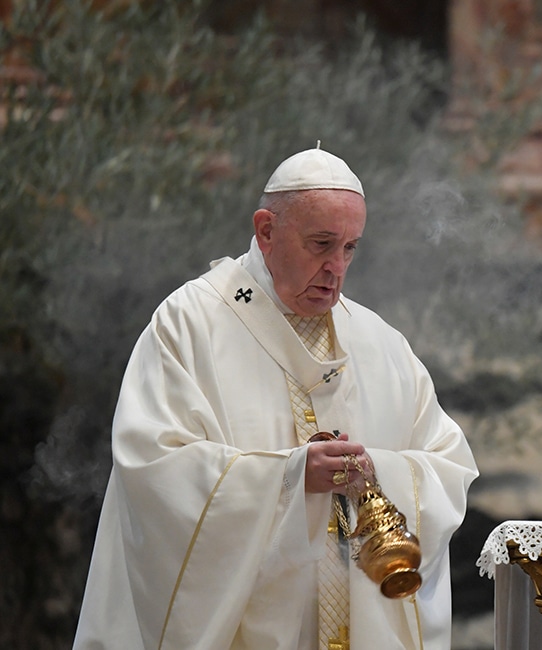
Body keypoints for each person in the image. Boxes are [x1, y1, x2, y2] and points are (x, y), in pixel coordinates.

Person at [73, 146, 479, 650]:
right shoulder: (191, 323)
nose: (336, 268)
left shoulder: (380, 343)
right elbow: (154, 468)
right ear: (266, 230)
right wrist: (288, 477)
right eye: (321, 244)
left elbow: (448, 465)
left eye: (351, 248)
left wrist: (378, 471)